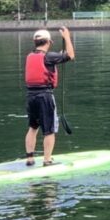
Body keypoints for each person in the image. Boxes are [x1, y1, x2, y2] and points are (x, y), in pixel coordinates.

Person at [25, 27, 74, 166]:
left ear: (35, 42)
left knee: (33, 127)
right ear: (48, 42)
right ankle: (47, 160)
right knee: (49, 130)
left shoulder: (30, 56)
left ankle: (29, 158)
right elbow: (70, 55)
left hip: (30, 96)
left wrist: (59, 56)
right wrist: (67, 37)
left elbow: (48, 62)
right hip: (44, 96)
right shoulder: (49, 57)